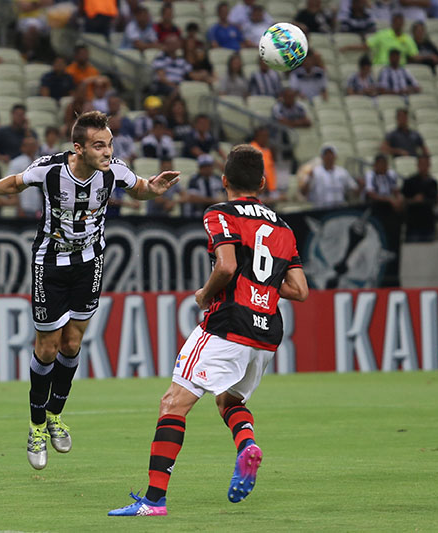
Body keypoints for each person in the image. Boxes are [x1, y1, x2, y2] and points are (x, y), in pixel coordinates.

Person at [0, 111, 180, 470]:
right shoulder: (50, 169)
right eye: (100, 146)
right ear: (78, 148)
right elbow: (16, 183)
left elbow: (140, 188)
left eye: (110, 144)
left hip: (89, 263)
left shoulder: (114, 171)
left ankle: (55, 416)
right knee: (47, 347)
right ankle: (35, 427)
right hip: (49, 265)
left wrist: (154, 189)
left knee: (72, 343)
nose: (108, 152)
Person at [107, 144, 308, 517]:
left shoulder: (220, 213)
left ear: (224, 180)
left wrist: (204, 293)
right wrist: (262, 285)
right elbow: (299, 290)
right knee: (229, 401)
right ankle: (246, 444)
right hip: (266, 333)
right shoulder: (283, 226)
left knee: (173, 403)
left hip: (227, 321)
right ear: (263, 183)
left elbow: (228, 266)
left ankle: (153, 500)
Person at [401, 154, 438, 241]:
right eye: (422, 164)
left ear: (429, 165)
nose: (424, 166)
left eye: (426, 164)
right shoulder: (409, 181)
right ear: (417, 165)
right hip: (413, 224)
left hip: (428, 224)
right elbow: (403, 199)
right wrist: (413, 200)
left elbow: (435, 199)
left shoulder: (433, 182)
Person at [8, 135, 44, 218]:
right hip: (23, 207)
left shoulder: (41, 161)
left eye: (34, 145)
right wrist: (19, 208)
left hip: (38, 207)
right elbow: (12, 186)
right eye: (29, 145)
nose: (32, 147)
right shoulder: (16, 163)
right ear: (23, 147)